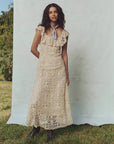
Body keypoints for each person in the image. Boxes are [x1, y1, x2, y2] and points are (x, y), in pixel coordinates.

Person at [26, 3, 73, 143]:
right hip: (44, 69)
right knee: (38, 97)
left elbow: (64, 54)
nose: (53, 14)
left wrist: (67, 74)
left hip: (58, 71)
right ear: (47, 14)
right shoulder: (40, 30)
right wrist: (45, 60)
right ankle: (36, 127)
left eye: (55, 12)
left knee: (53, 99)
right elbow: (33, 49)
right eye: (50, 12)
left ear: (59, 14)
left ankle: (50, 130)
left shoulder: (64, 33)